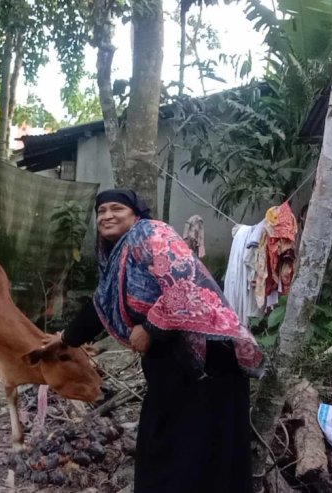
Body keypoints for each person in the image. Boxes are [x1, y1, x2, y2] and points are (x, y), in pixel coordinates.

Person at [43, 189, 265, 493]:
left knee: (201, 444)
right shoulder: (118, 257)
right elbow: (99, 306)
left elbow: (185, 283)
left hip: (209, 356)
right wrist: (65, 339)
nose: (107, 215)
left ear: (135, 214)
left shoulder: (153, 234)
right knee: (169, 442)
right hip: (175, 362)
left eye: (116, 208)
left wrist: (151, 328)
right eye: (101, 211)